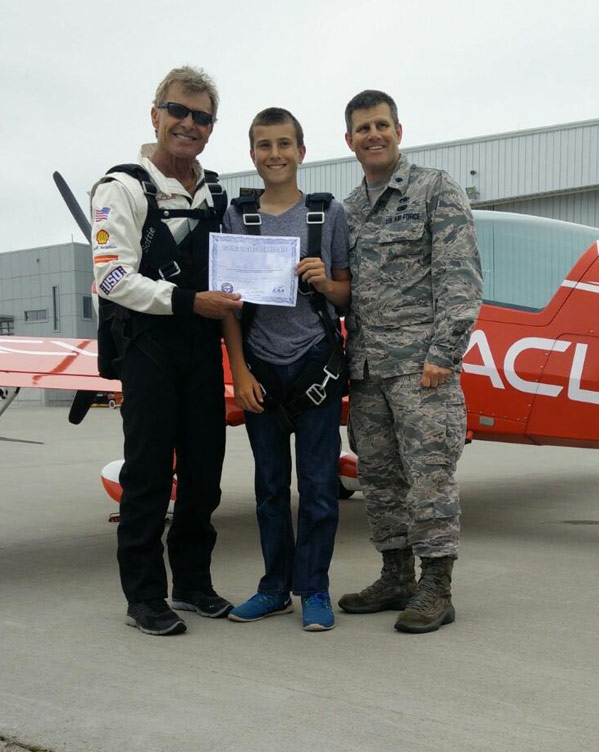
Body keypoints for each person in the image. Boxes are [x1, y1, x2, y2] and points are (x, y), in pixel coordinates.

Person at [90, 66, 242, 636]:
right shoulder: (122, 187)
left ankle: (194, 584)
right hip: (149, 347)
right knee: (149, 476)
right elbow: (109, 280)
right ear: (155, 113)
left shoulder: (218, 194)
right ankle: (145, 597)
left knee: (205, 476)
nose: (188, 124)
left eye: (202, 117)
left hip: (203, 350)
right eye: (178, 111)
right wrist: (187, 302)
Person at [337, 90, 482, 633]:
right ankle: (396, 576)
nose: (372, 135)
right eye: (362, 128)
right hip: (367, 370)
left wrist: (444, 354)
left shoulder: (434, 189)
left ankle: (436, 587)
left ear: (399, 130)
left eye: (381, 125)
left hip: (423, 370)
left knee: (430, 478)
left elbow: (460, 277)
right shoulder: (347, 210)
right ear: (348, 140)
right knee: (379, 479)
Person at [221, 108, 351, 632]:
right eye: (263, 145)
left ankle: (314, 588)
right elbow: (228, 305)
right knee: (270, 487)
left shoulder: (327, 214)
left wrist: (325, 282)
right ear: (252, 155)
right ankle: (274, 587)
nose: (274, 154)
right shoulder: (239, 218)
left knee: (318, 486)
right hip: (260, 369)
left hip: (316, 365)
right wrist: (239, 372)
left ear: (301, 150)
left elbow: (345, 296)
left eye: (284, 144)